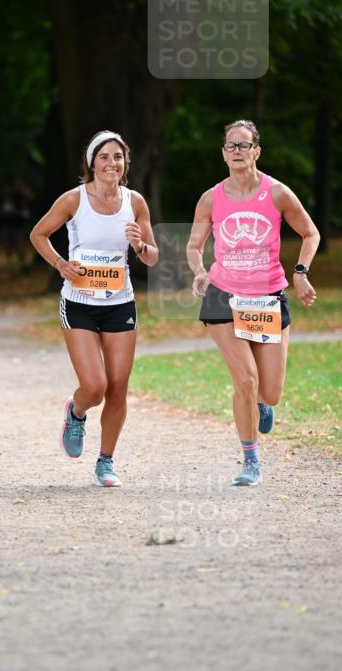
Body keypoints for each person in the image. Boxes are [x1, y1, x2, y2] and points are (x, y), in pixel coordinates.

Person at [187, 119, 319, 487]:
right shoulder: (211, 198)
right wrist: (199, 270)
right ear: (223, 153)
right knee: (245, 379)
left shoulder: (277, 193)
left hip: (268, 296)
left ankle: (262, 403)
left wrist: (301, 272)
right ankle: (250, 459)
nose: (237, 152)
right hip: (224, 297)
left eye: (244, 146)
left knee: (270, 391)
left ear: (257, 151)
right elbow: (194, 245)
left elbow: (310, 232)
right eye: (231, 146)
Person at [30, 130, 158, 487]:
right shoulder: (74, 200)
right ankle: (77, 410)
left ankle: (106, 462)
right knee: (96, 385)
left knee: (118, 386)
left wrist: (140, 245)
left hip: (120, 303)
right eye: (104, 157)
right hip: (79, 303)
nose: (111, 163)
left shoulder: (136, 202)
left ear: (125, 164)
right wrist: (60, 265)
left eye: (117, 157)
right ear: (91, 163)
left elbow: (152, 256)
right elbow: (38, 235)